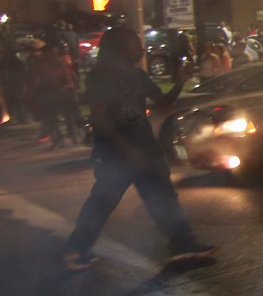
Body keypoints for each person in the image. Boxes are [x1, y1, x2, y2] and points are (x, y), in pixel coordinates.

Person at [61, 26, 218, 271]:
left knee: (164, 197)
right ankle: (76, 248)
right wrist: (128, 150)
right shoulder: (100, 78)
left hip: (146, 148)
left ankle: (183, 245)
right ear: (121, 47)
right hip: (115, 151)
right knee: (103, 201)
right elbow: (101, 121)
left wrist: (180, 82)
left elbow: (164, 103)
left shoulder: (138, 75)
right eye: (136, 44)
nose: (142, 49)